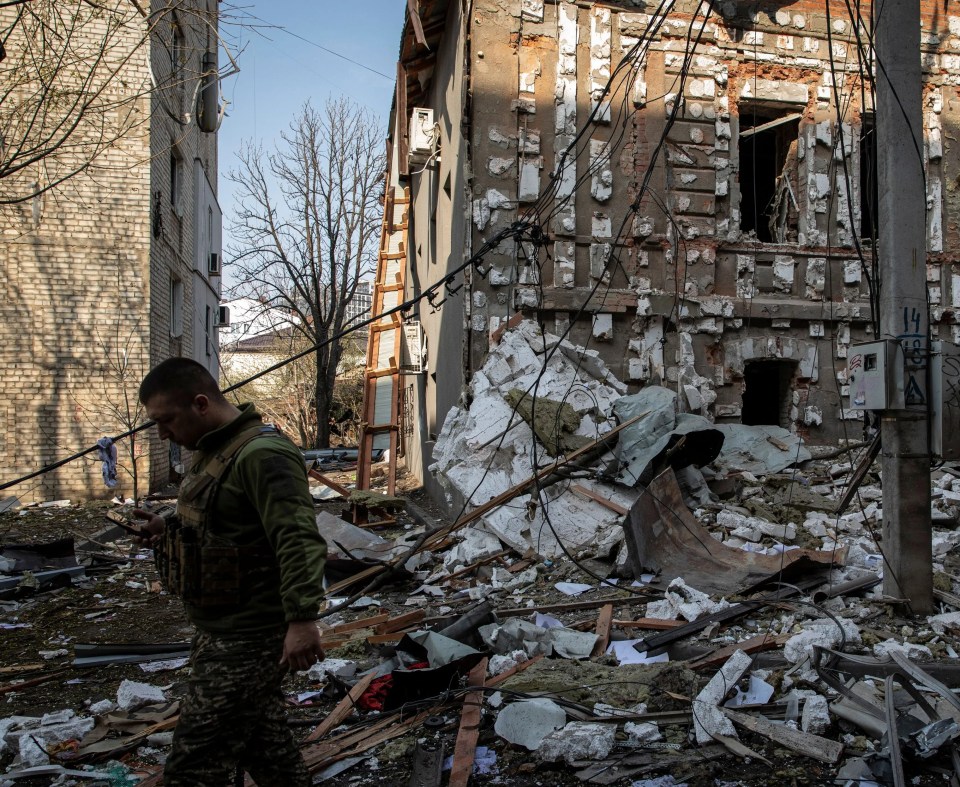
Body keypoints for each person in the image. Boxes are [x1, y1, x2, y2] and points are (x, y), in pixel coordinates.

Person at [132, 357, 326, 786]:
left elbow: (298, 540)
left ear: (200, 403)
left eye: (166, 420)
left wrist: (302, 619)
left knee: (194, 765)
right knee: (266, 746)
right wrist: (169, 527)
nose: (162, 432)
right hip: (220, 628)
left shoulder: (263, 455)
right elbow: (225, 522)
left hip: (249, 636)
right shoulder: (214, 451)